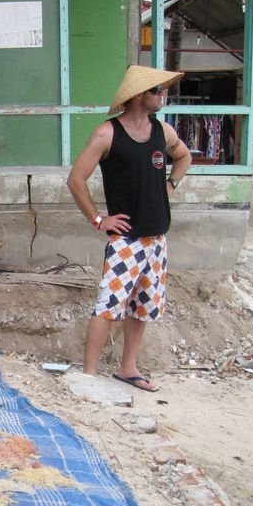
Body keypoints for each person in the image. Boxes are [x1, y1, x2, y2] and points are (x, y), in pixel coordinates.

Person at [67, 65, 192, 392]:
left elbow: (184, 157)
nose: (162, 95)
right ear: (139, 95)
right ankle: (89, 376)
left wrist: (171, 185)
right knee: (109, 306)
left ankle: (128, 368)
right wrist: (98, 219)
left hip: (157, 237)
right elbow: (76, 179)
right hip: (126, 240)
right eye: (157, 90)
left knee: (143, 307)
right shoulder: (107, 134)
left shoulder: (162, 131)